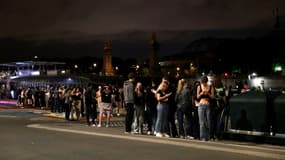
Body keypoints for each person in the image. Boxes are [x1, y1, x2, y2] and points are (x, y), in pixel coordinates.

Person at [196, 76, 214, 141]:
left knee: (208, 122)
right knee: (202, 122)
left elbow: (212, 97)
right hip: (201, 105)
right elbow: (197, 97)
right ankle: (202, 137)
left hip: (208, 105)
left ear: (206, 82)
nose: (204, 84)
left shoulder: (211, 87)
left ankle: (208, 136)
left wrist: (208, 93)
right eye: (203, 83)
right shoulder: (199, 87)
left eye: (205, 83)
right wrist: (201, 93)